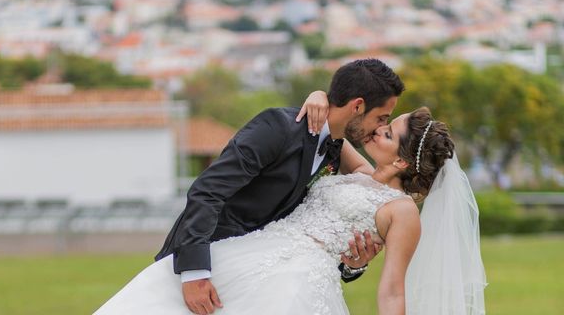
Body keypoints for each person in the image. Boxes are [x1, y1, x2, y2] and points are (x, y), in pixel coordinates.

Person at [93, 105, 486, 314]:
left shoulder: (402, 213)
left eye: (386, 132)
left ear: (401, 162)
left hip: (298, 278)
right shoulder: (361, 171)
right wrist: (318, 95)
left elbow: (393, 290)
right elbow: (329, 124)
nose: (375, 130)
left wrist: (355, 266)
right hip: (254, 251)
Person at [95, 59, 405, 314]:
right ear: (357, 106)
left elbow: (323, 221)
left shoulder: (336, 149)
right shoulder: (277, 128)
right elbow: (207, 190)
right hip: (213, 263)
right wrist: (194, 274)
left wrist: (353, 267)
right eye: (381, 117)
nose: (380, 127)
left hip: (265, 281)